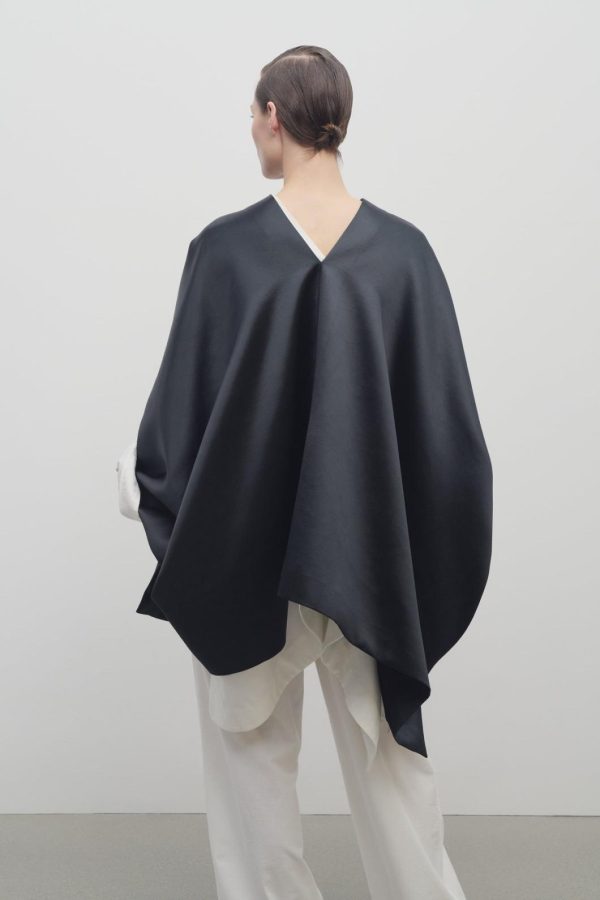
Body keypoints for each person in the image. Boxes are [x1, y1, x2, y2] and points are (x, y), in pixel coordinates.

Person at [117, 45, 493, 900]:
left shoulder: (224, 251)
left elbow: (182, 411)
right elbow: (448, 437)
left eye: (253, 115)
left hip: (244, 552)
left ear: (273, 117)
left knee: (248, 778)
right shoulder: (405, 256)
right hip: (367, 558)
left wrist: (162, 501)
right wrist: (414, 545)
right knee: (393, 775)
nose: (251, 130)